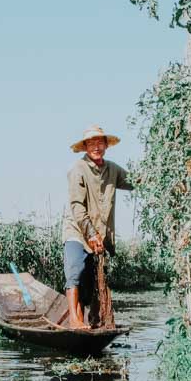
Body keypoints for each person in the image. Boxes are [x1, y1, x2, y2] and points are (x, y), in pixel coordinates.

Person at [62, 125, 133, 330]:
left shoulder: (112, 169)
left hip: (100, 234)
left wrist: (155, 175)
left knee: (90, 281)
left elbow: (135, 181)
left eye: (99, 143)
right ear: (85, 147)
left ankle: (87, 318)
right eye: (91, 143)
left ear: (106, 146)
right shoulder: (78, 169)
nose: (96, 147)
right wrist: (90, 233)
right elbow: (76, 206)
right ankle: (74, 320)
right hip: (77, 229)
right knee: (75, 269)